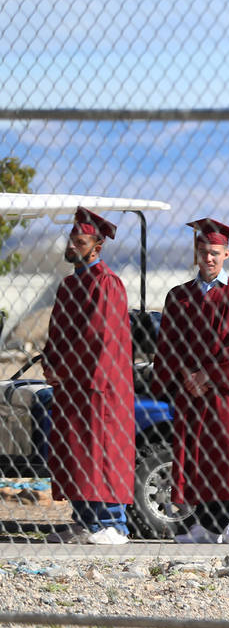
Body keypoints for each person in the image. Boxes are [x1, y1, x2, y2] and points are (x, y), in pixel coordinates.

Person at [152, 219, 229, 544]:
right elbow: (168, 344)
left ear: (226, 253)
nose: (208, 258)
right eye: (202, 252)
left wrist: (208, 375)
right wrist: (186, 374)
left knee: (228, 454)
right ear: (196, 253)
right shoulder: (179, 297)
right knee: (195, 454)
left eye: (214, 252)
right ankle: (200, 524)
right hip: (191, 392)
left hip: (225, 392)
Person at [42, 207, 135, 545]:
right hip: (71, 387)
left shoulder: (107, 285)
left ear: (97, 247)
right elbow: (56, 332)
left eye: (80, 242)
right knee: (77, 452)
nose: (73, 246)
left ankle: (113, 523)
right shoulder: (69, 285)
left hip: (100, 386)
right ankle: (84, 521)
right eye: (72, 240)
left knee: (103, 450)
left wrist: (63, 370)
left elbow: (98, 337)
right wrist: (50, 364)